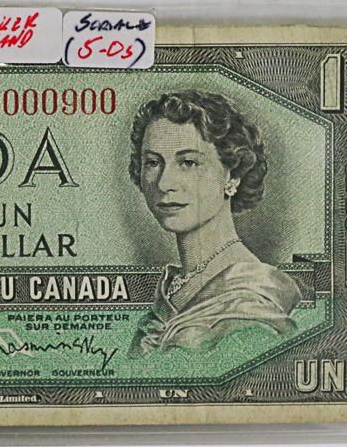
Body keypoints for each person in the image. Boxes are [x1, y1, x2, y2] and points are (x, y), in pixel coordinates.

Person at [127, 90, 302, 355]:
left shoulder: (251, 306)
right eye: (152, 162)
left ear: (233, 175)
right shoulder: (171, 292)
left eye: (188, 162)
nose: (164, 183)